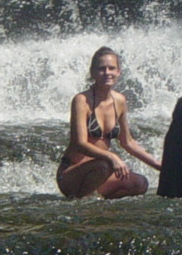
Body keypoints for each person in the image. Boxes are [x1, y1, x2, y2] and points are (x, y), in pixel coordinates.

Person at [56, 47, 161, 199]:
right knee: (105, 165)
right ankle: (79, 202)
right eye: (101, 69)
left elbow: (128, 142)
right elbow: (79, 143)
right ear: (92, 73)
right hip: (72, 174)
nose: (107, 73)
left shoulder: (119, 101)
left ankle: (99, 204)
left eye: (112, 68)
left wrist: (159, 166)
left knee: (140, 183)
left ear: (119, 71)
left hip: (102, 173)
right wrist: (112, 157)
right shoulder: (81, 100)